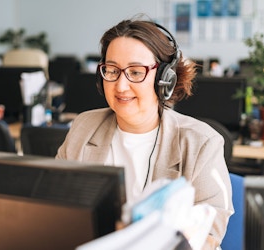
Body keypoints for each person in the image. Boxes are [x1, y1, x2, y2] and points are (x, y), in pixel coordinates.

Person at [56, 17, 233, 249]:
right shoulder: (84, 127)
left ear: (164, 80)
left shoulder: (201, 142)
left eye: (136, 72)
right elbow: (56, 203)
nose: (120, 86)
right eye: (112, 70)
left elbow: (209, 236)